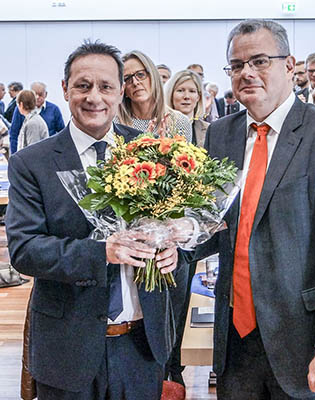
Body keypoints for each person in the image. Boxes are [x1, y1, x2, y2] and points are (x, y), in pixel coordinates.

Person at [185, 19, 315, 399]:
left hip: (308, 344)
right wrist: (172, 240)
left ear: (290, 65)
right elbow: (216, 224)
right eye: (237, 65)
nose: (246, 73)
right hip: (236, 339)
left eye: (259, 61)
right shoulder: (221, 133)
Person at [6, 40, 179, 399]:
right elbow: (24, 251)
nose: (94, 97)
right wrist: (102, 251)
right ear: (65, 89)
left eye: (106, 87)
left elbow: (178, 227)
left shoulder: (151, 153)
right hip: (66, 351)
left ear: (121, 92)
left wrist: (175, 250)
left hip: (141, 347)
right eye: (83, 85)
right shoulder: (32, 163)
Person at [116, 50, 192, 141]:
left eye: (140, 75)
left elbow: (185, 155)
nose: (135, 82)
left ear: (153, 76)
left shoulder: (179, 122)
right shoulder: (115, 124)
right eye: (127, 78)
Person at [9, 81, 65, 154]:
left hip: (46, 153)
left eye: (40, 94)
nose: (38, 97)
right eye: (35, 94)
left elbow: (62, 132)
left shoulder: (54, 109)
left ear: (46, 94)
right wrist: (14, 156)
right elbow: (14, 134)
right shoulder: (20, 110)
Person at [165, 69, 209, 147]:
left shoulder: (209, 130)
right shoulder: (161, 127)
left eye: (192, 91)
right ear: (171, 94)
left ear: (198, 97)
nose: (186, 96)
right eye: (180, 91)